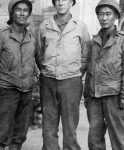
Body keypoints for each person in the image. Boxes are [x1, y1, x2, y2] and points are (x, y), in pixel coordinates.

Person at [84, 0, 124, 150]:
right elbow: (90, 70)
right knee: (94, 140)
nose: (104, 18)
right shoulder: (93, 42)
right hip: (94, 97)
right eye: (101, 14)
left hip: (115, 97)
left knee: (119, 139)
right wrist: (87, 95)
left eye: (108, 14)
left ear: (115, 17)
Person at [36, 0, 90, 150]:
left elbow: (85, 56)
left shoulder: (80, 27)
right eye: (57, 0)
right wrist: (48, 71)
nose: (61, 3)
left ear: (71, 2)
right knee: (49, 125)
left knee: (70, 125)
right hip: (48, 81)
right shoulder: (44, 27)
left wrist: (74, 73)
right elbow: (39, 54)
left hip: (71, 81)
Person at [0, 0, 37, 149]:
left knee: (20, 135)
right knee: (2, 135)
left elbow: (34, 62)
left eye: (25, 10)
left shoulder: (31, 38)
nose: (22, 13)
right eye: (18, 10)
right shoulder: (1, 35)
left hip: (26, 92)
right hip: (7, 91)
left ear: (29, 13)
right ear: (11, 12)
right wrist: (0, 85)